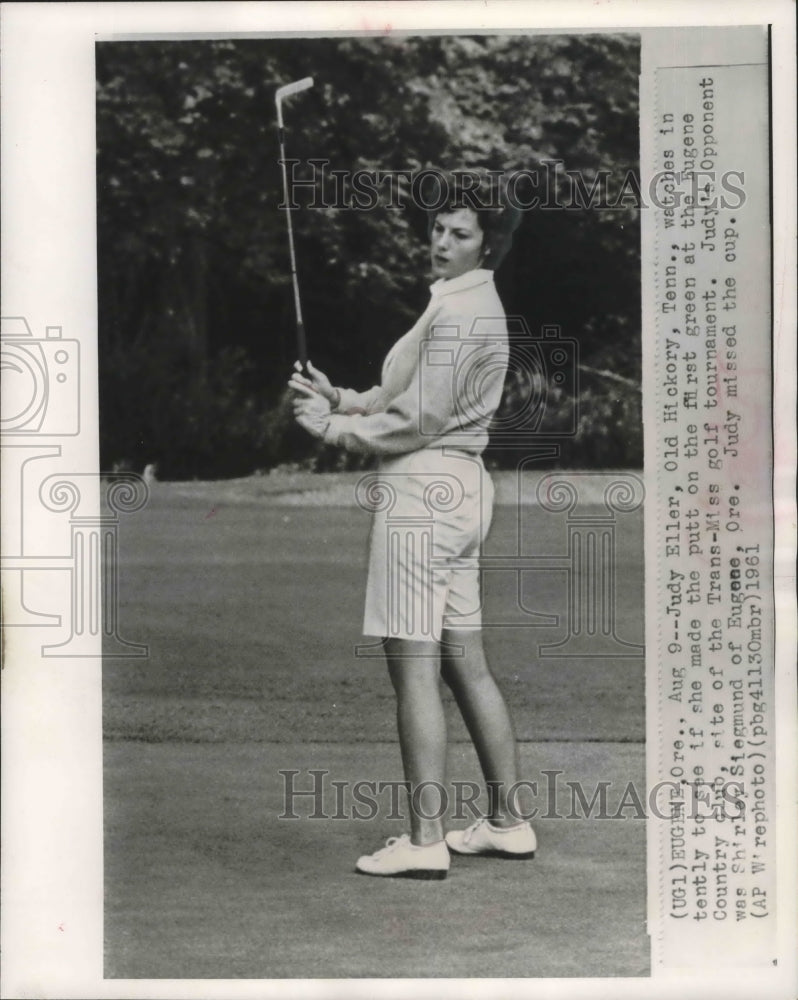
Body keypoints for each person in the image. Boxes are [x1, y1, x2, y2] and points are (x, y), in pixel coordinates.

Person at [289, 176, 535, 880]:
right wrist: (339, 396)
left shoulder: (464, 312)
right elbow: (399, 397)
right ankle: (507, 823)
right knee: (463, 661)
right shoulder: (456, 303)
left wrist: (333, 430)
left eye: (459, 233)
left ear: (488, 242)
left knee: (415, 666)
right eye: (437, 229)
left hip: (425, 492)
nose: (441, 242)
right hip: (454, 491)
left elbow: (414, 423)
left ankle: (426, 839)